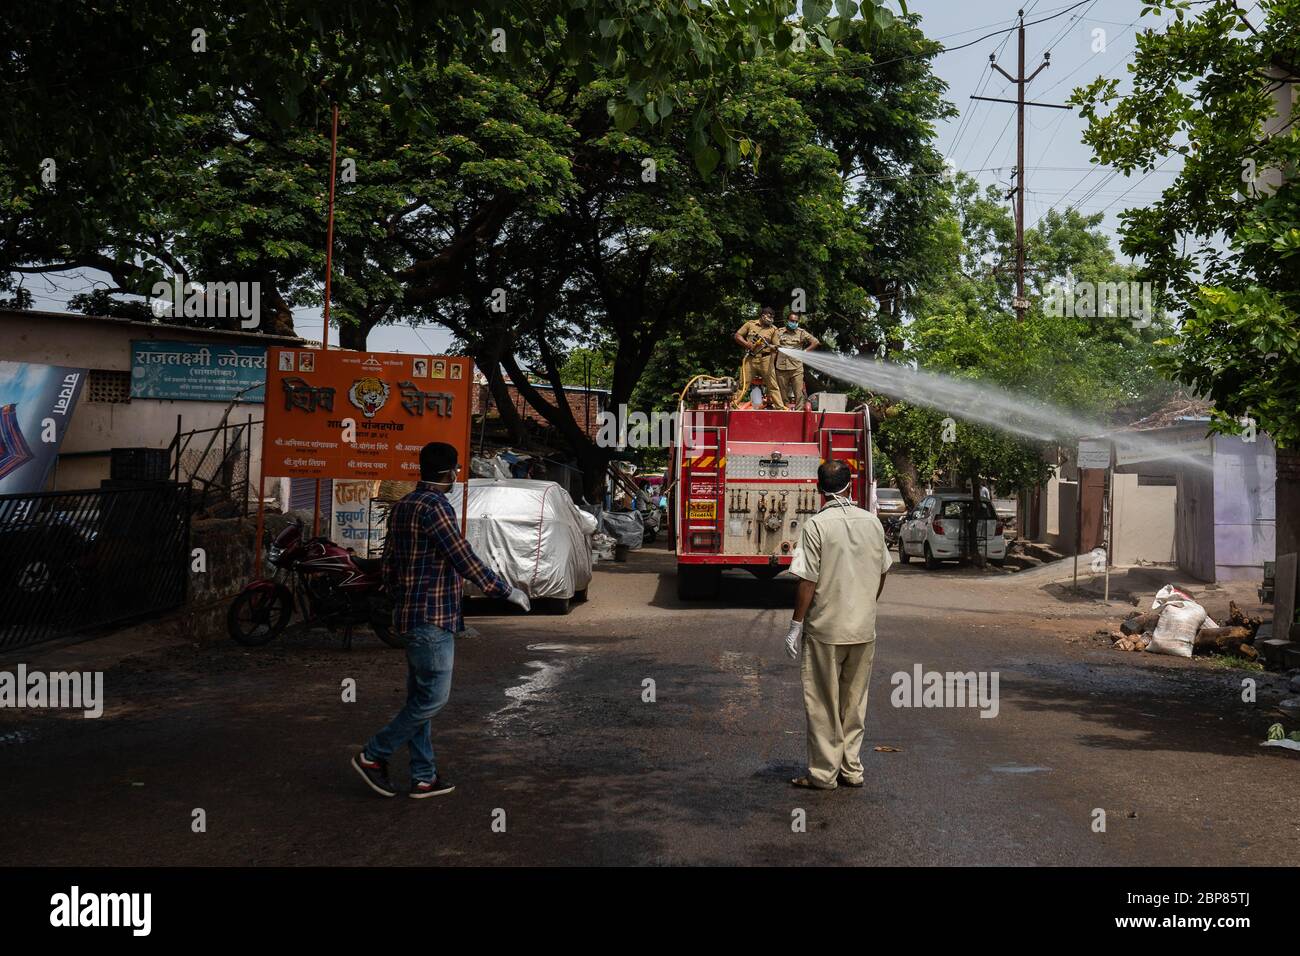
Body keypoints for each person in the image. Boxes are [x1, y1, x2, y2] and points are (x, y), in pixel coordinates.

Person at [352, 441, 531, 799]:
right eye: (456, 470)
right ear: (449, 473)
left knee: (419, 700)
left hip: (410, 616)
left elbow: (389, 562)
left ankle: (423, 775)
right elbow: (461, 555)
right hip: (432, 618)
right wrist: (504, 590)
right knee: (433, 699)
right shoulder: (435, 508)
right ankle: (374, 755)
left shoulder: (404, 505)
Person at [783, 460, 891, 790]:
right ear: (851, 486)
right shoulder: (872, 523)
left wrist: (796, 624)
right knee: (854, 703)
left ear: (819, 490)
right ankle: (852, 770)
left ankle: (823, 773)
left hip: (825, 631)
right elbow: (884, 570)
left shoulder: (816, 526)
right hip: (862, 629)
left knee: (822, 703)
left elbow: (807, 580)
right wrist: (866, 604)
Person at [731, 306, 786, 409]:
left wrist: (773, 352)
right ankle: (733, 406)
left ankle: (780, 407)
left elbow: (777, 346)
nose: (771, 319)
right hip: (750, 358)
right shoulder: (750, 324)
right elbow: (737, 336)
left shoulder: (773, 329)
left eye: (773, 317)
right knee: (743, 384)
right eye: (769, 316)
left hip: (766, 359)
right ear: (763, 315)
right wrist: (747, 344)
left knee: (772, 384)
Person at [773, 312, 819, 410]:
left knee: (799, 392)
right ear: (787, 321)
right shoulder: (779, 332)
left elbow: (815, 342)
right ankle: (784, 410)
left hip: (796, 368)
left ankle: (798, 412)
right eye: (792, 321)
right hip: (781, 367)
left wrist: (805, 351)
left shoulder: (801, 332)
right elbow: (774, 345)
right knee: (782, 392)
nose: (794, 323)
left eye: (796, 321)